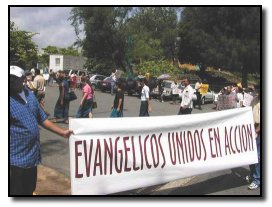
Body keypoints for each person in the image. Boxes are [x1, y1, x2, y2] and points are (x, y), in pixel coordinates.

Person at [10, 66, 73, 195]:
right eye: (9, 78)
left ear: (23, 79)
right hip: (14, 158)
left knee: (29, 188)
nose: (10, 80)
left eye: (14, 78)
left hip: (32, 157)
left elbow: (42, 118)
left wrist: (62, 132)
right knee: (15, 191)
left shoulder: (30, 95)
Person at [247, 94, 260, 190]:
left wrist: (258, 129)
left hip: (258, 130)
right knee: (250, 154)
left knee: (257, 156)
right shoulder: (254, 100)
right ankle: (252, 175)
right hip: (252, 129)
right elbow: (248, 112)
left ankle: (257, 179)